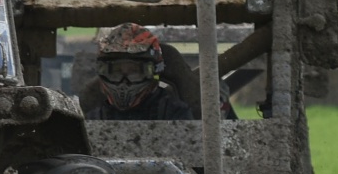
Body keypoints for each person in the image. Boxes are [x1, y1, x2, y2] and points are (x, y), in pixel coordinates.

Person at [85, 22, 231, 121]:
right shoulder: (95, 116)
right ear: (104, 73)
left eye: (134, 71)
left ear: (152, 72)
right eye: (116, 71)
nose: (124, 81)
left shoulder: (173, 112)